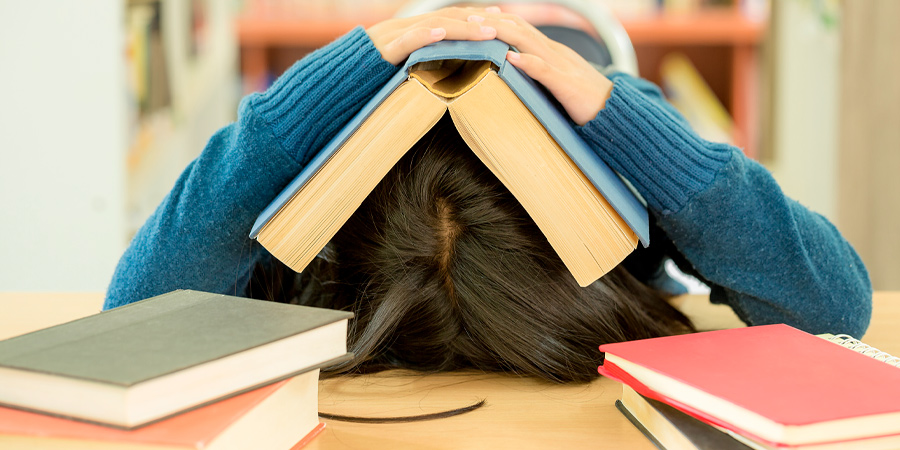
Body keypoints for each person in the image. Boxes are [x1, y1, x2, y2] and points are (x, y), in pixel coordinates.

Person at [104, 7, 872, 383]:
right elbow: (835, 308)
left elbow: (133, 313)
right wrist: (626, 117)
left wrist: (320, 97)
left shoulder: (363, 203)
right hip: (593, 64)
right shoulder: (627, 186)